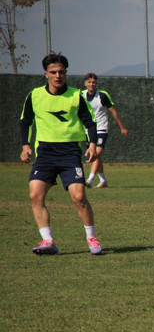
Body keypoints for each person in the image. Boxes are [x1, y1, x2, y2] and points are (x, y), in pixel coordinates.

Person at [19, 52, 103, 255]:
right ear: (46, 74)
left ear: (66, 73)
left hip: (69, 152)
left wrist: (92, 144)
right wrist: (25, 145)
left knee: (79, 196)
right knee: (35, 195)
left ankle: (91, 238)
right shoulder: (35, 95)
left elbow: (90, 122)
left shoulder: (76, 96)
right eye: (53, 72)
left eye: (62, 72)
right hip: (45, 153)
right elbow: (25, 121)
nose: (58, 76)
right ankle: (48, 241)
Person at [82, 73, 129, 188]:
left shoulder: (102, 95)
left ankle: (89, 180)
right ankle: (103, 180)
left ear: (96, 83)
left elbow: (113, 111)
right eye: (89, 82)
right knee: (98, 157)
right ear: (85, 83)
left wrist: (122, 127)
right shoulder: (81, 95)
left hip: (102, 129)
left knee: (96, 154)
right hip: (88, 130)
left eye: (94, 82)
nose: (91, 84)